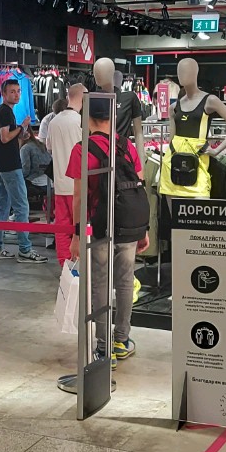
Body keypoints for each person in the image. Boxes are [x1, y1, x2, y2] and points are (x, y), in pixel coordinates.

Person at [58, 96, 149, 393]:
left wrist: (76, 233)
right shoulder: (126, 145)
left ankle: (102, 347)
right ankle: (121, 340)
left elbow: (79, 196)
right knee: (125, 281)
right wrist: (143, 229)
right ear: (111, 117)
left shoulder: (82, 149)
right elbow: (139, 183)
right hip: (129, 224)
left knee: (99, 284)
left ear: (87, 118)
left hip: (100, 227)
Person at [0, 78, 46, 262]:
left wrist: (21, 133)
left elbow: (9, 138)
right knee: (22, 207)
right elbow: (5, 137)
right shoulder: (5, 112)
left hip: (3, 165)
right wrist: (21, 126)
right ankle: (25, 249)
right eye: (12, 91)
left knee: (3, 207)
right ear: (3, 94)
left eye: (18, 91)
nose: (16, 94)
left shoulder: (5, 112)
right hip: (9, 166)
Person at [45, 84, 85, 268]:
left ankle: (65, 267)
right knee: (81, 228)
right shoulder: (81, 121)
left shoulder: (54, 122)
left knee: (61, 228)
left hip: (60, 183)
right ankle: (80, 267)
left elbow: (49, 147)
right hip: (79, 184)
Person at [20, 129, 52, 193]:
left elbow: (25, 171)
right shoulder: (41, 144)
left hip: (37, 183)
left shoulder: (25, 148)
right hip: (50, 182)